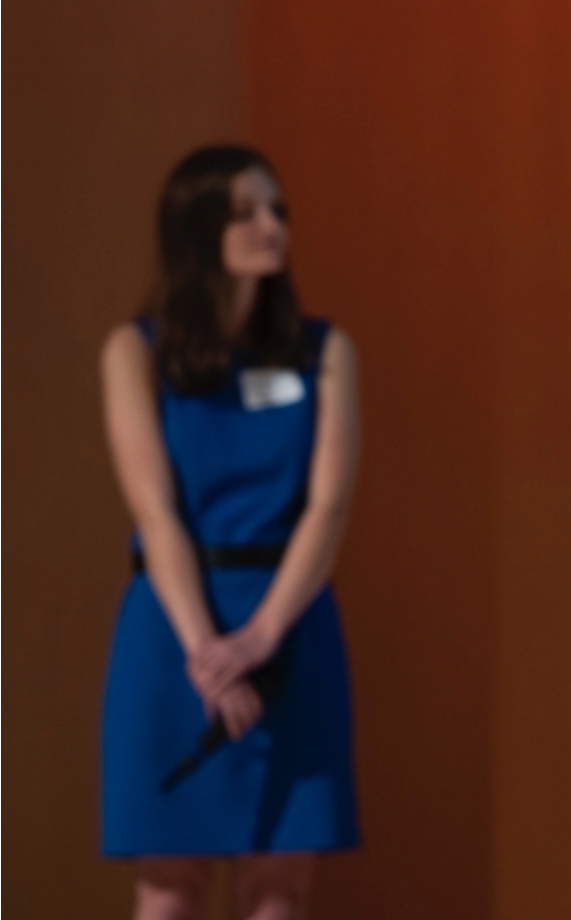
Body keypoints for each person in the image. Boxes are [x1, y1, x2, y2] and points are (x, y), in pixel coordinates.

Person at [99, 145, 360, 920]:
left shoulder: (325, 351)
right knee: (170, 882)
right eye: (245, 212)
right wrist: (208, 652)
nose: (270, 226)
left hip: (288, 618)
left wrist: (260, 638)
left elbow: (329, 507)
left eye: (277, 210)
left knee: (280, 883)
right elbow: (157, 511)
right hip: (174, 624)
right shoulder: (136, 351)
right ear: (195, 228)